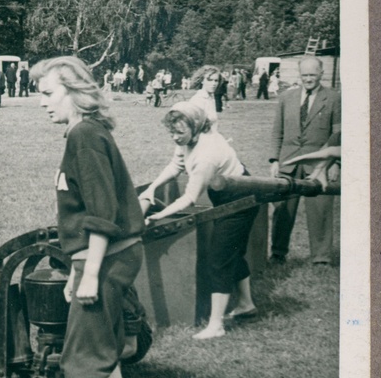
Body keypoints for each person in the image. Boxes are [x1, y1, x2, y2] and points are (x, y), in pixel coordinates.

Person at [32, 56, 145, 378]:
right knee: (105, 354)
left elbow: (102, 213)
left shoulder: (84, 136)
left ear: (75, 91)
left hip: (105, 258)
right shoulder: (87, 132)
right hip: (108, 257)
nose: (43, 102)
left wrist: (90, 273)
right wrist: (80, 268)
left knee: (83, 361)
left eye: (48, 93)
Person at [141, 102, 258, 339]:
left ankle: (216, 325)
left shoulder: (207, 155)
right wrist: (152, 187)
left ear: (195, 127)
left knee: (219, 258)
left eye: (179, 132)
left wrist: (160, 215)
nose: (175, 137)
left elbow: (189, 198)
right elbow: (176, 164)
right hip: (224, 192)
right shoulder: (188, 139)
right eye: (171, 132)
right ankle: (246, 304)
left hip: (240, 199)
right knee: (231, 252)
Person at [268, 56, 341, 265]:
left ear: (321, 74)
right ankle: (278, 253)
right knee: (282, 210)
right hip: (288, 163)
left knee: (321, 211)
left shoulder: (334, 98)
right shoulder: (286, 98)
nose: (308, 79)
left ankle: (321, 258)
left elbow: (338, 134)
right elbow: (277, 131)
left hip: (319, 165)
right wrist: (274, 160)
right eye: (304, 75)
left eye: (312, 75)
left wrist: (335, 164)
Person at [188, 65, 223, 133]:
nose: (213, 83)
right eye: (209, 80)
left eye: (216, 80)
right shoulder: (198, 100)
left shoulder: (211, 98)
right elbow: (193, 128)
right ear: (202, 81)